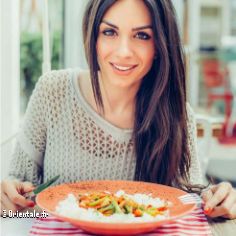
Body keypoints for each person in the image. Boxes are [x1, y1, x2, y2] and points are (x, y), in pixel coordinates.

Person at [1, 0, 235, 219]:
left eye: (142, 35)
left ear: (160, 46)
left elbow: (191, 200)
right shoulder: (52, 92)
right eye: (109, 32)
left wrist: (218, 198)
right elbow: (18, 194)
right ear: (93, 36)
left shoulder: (177, 115)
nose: (123, 51)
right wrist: (8, 196)